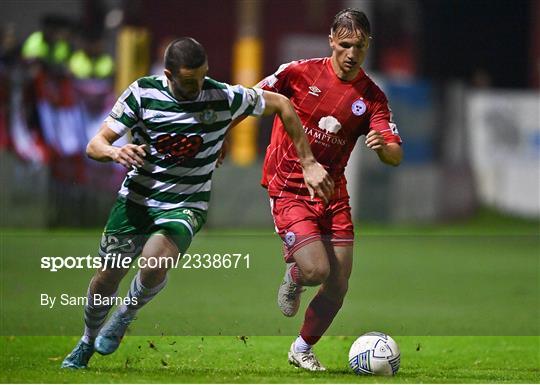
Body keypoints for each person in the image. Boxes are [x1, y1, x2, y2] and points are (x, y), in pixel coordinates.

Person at [61, 37, 332, 369]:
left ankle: (124, 315)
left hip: (186, 202)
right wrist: (115, 152)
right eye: (189, 81)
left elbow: (283, 105)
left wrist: (307, 162)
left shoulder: (222, 96)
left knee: (154, 262)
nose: (198, 86)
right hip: (137, 200)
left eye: (202, 76)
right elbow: (95, 144)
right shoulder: (142, 93)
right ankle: (87, 340)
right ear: (168, 75)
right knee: (107, 277)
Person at [257, 9, 403, 371]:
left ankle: (302, 348)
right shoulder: (298, 72)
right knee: (316, 270)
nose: (352, 54)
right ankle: (296, 275)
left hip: (333, 195)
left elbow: (395, 154)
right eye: (345, 45)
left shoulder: (371, 97)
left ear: (368, 45)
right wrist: (223, 138)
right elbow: (250, 99)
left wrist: (383, 147)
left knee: (339, 283)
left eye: (361, 46)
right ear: (332, 42)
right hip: (289, 186)